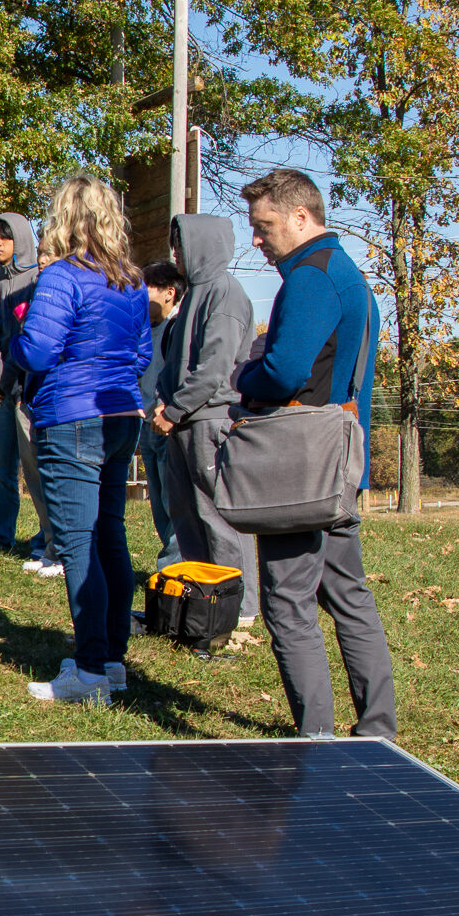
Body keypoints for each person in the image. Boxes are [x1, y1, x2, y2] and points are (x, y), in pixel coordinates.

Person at [236, 168, 396, 738]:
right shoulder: (348, 273)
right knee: (347, 594)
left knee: (288, 602)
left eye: (265, 226)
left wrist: (244, 374)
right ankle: (377, 727)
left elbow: (283, 372)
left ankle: (316, 738)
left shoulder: (309, 276)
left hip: (300, 468)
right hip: (337, 463)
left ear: (301, 218)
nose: (257, 239)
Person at [13, 174, 151, 703]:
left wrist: (17, 346)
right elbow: (141, 355)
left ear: (63, 220)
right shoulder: (131, 281)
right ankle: (111, 658)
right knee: (109, 535)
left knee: (76, 542)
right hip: (121, 414)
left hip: (71, 416)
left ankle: (90, 671)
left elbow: (41, 351)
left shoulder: (62, 277)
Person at [155, 215, 261, 625]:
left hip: (212, 421)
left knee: (219, 519)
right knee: (186, 516)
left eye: (180, 245)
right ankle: (204, 603)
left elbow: (216, 367)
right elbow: (173, 366)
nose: (176, 253)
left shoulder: (226, 294)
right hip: (183, 421)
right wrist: (164, 402)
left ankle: (243, 610)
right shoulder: (193, 296)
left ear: (203, 245)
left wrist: (176, 409)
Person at [0, 213, 54, 568]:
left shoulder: (41, 279)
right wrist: (3, 384)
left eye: (4, 237)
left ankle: (46, 540)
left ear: (20, 239)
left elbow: (39, 339)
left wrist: (21, 385)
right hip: (1, 389)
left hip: (32, 389)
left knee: (36, 469)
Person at [138, 260, 186, 572]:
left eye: (147, 290)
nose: (140, 296)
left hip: (169, 425)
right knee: (158, 507)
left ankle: (172, 572)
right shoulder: (144, 329)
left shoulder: (179, 329)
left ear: (169, 293)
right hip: (145, 425)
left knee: (175, 503)